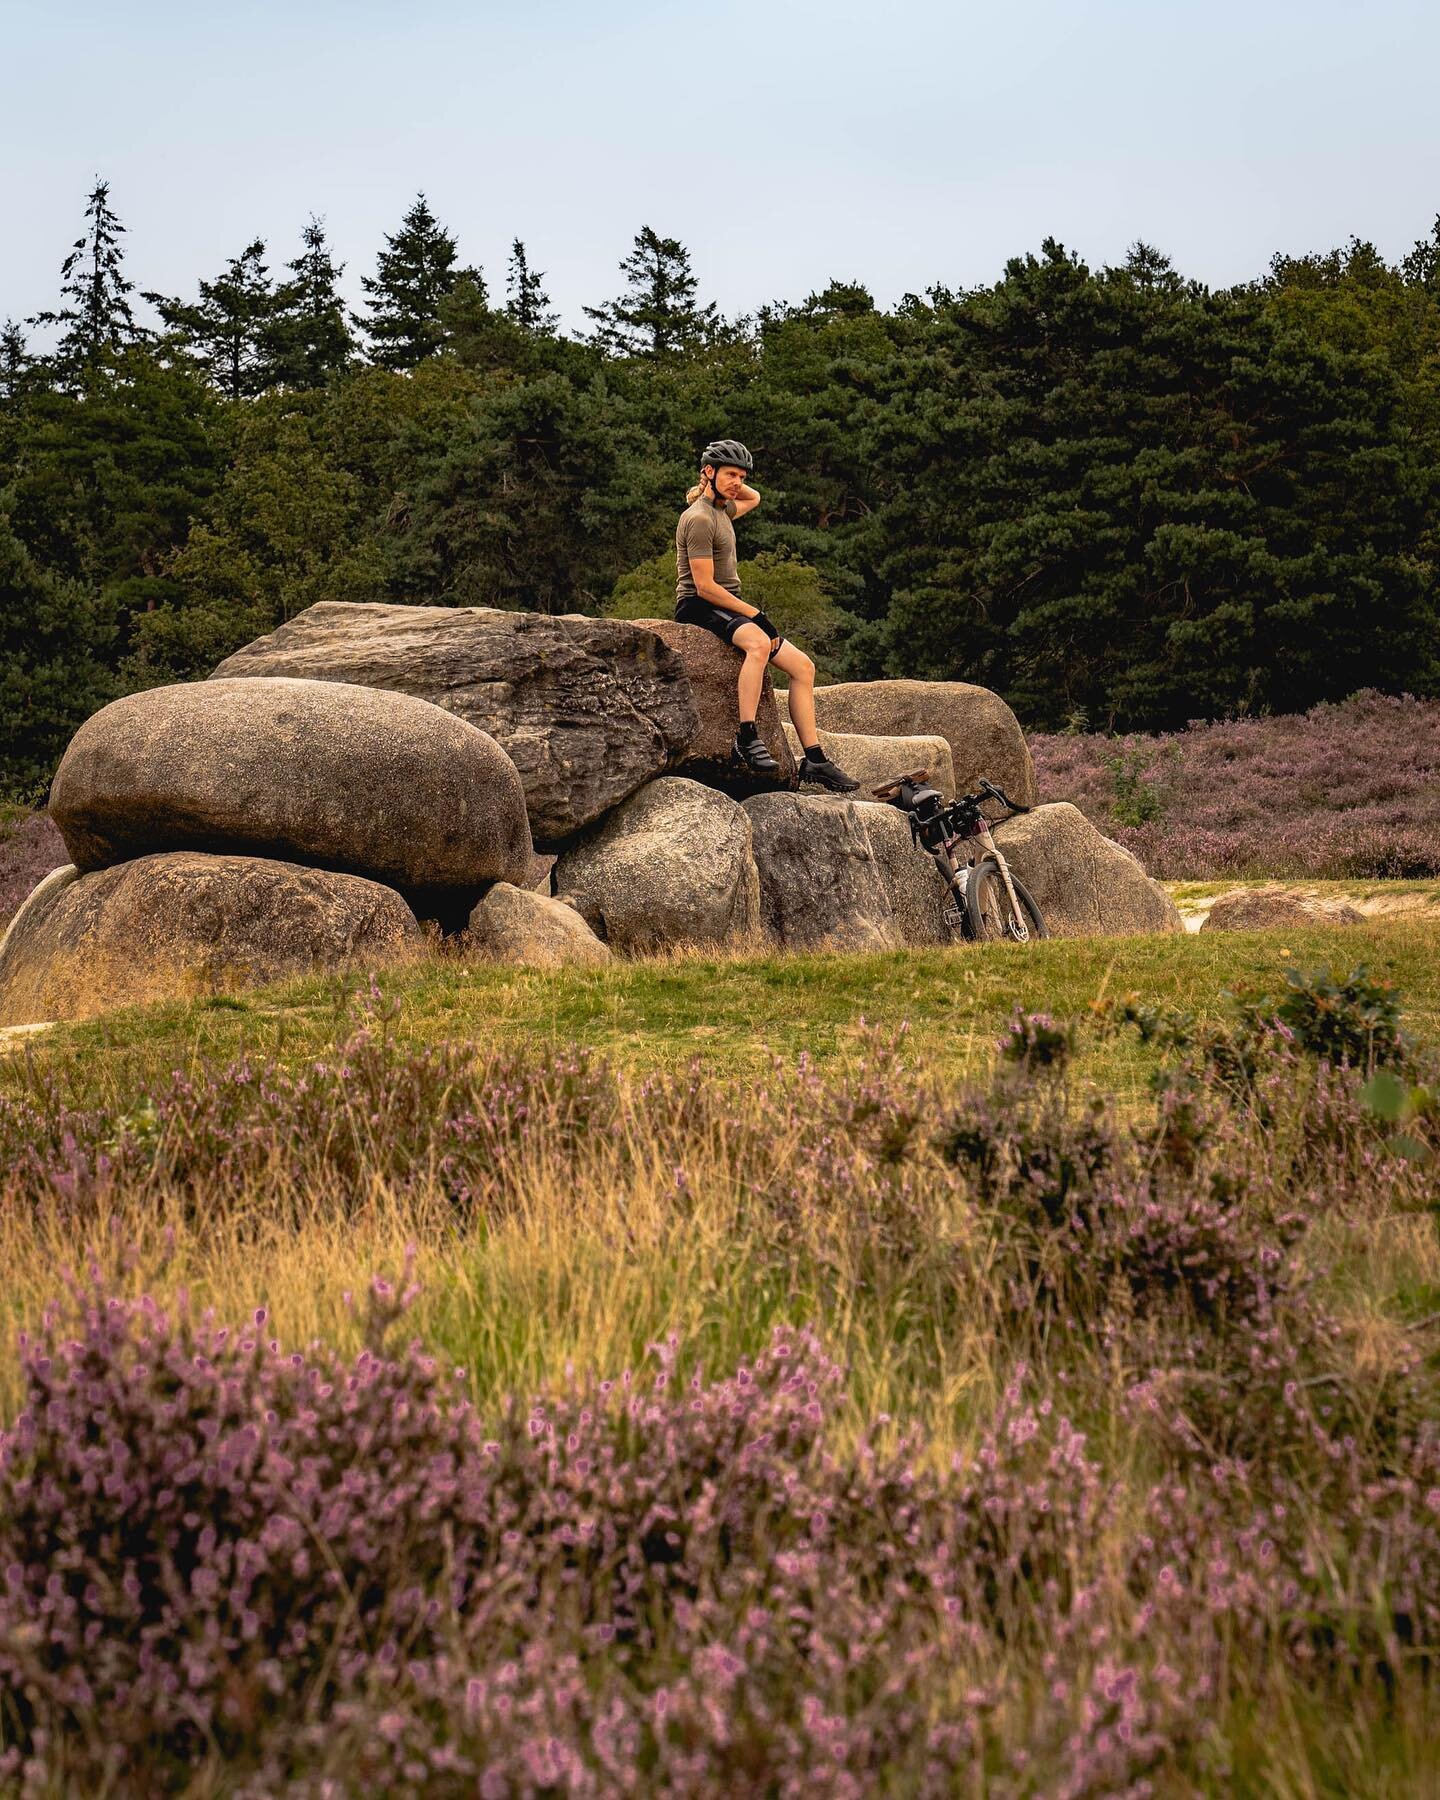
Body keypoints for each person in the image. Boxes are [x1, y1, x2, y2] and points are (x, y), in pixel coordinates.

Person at [674, 438, 859, 791]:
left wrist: (726, 484)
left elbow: (753, 498)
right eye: (730, 474)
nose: (738, 483)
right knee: (758, 643)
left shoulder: (723, 510)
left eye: (742, 475)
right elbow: (704, 587)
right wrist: (758, 615)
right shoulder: (698, 518)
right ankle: (747, 736)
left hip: (725, 602)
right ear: (708, 471)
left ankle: (816, 759)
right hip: (699, 605)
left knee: (803, 667)